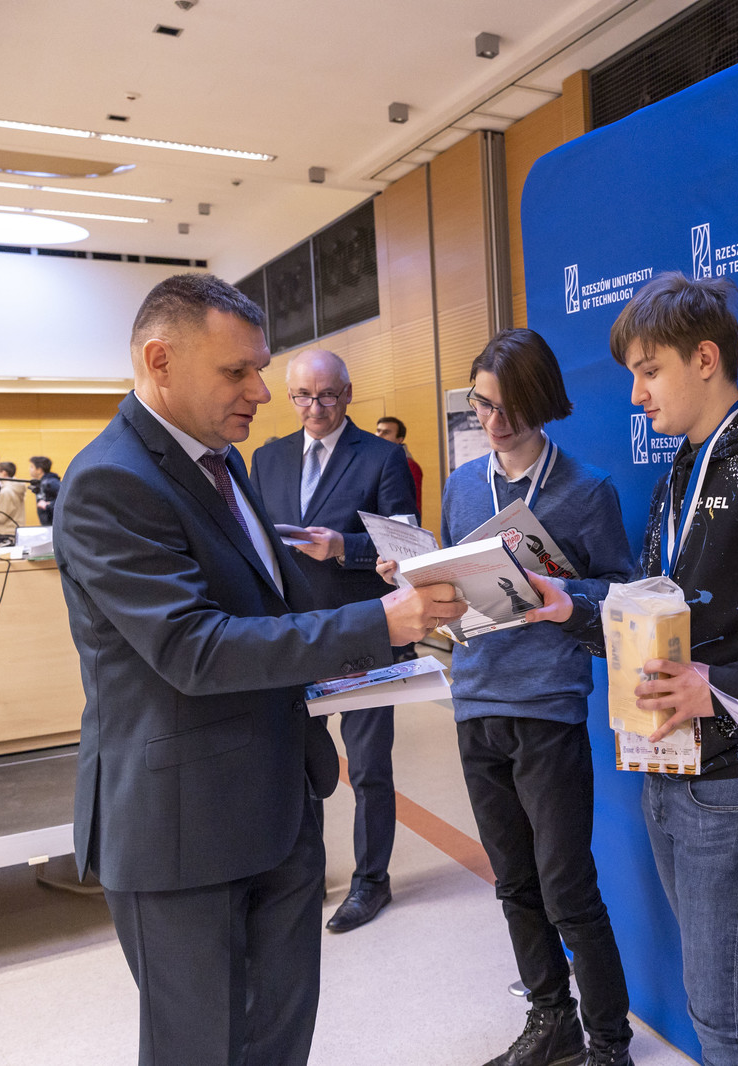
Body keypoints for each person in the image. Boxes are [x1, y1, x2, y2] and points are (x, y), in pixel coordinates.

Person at [53, 273, 465, 1066]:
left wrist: (374, 611)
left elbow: (264, 604)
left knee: (280, 1039)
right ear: (160, 360)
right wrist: (377, 624)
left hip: (277, 805)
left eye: (260, 368)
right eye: (236, 371)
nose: (263, 393)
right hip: (184, 830)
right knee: (201, 1049)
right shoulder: (112, 482)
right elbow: (194, 648)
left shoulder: (222, 461)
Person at [525, 273, 738, 1066]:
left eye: (650, 371)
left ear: (706, 359)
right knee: (736, 998)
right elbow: (654, 616)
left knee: (722, 1012)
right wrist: (568, 606)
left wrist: (717, 689)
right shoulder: (679, 478)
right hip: (672, 774)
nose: (637, 395)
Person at [382, 328, 638, 1066]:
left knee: (567, 888)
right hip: (476, 701)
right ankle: (551, 1020)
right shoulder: (465, 485)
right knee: (514, 882)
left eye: (506, 408)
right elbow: (450, 588)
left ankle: (609, 1042)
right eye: (481, 405)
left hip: (548, 707)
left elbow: (621, 593)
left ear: (542, 402)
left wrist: (562, 592)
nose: (492, 422)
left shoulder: (586, 489)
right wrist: (413, 577)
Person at [250, 348, 418, 934]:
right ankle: (307, 873)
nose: (315, 408)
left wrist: (345, 547)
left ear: (347, 394)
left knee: (369, 766)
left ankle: (372, 881)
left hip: (367, 630)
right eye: (302, 396)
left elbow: (405, 545)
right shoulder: (266, 459)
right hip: (296, 636)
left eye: (326, 396)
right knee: (302, 764)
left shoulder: (383, 457)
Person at [374, 415, 424, 513]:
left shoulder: (409, 465)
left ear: (400, 439)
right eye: (378, 431)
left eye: (386, 432)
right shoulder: (372, 461)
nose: (379, 435)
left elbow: (413, 506)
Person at [0, 460, 29, 536]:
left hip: (6, 532)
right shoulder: (16, 488)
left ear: (3, 473)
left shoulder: (6, 492)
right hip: (15, 530)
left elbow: (1, 517)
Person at [29, 456, 60, 526]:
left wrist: (49, 505)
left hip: (53, 524)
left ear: (39, 470)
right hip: (46, 524)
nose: (29, 469)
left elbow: (64, 498)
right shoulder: (41, 483)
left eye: (32, 467)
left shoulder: (52, 482)